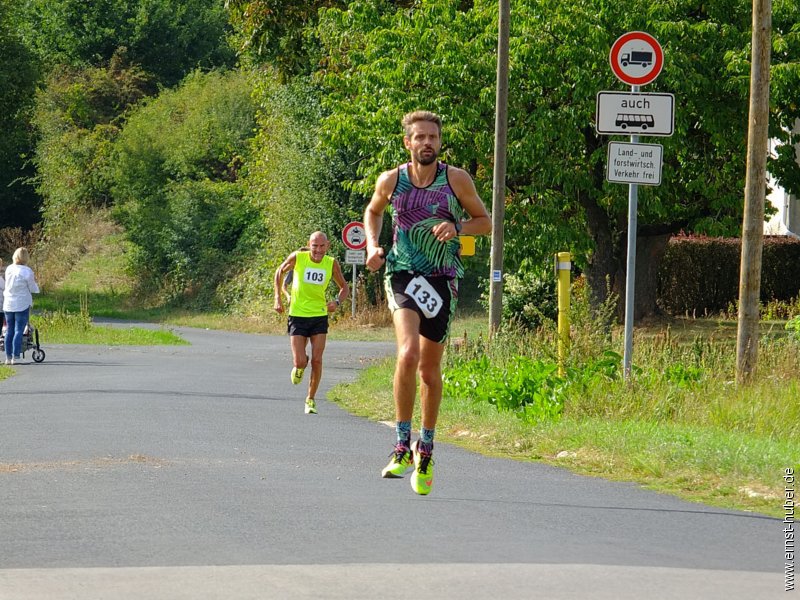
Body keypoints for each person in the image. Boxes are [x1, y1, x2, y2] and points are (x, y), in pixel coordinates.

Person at [365, 110, 491, 495]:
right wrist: (373, 244)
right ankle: (401, 444)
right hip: (403, 273)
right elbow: (373, 210)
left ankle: (427, 448)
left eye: (432, 137)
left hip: (442, 279)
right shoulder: (392, 179)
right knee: (407, 355)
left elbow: (485, 221)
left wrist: (458, 227)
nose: (426, 143)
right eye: (419, 137)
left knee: (429, 370)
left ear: (439, 141)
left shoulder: (456, 179)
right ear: (408, 142)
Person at [274, 232, 349, 414]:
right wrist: (278, 297)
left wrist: (337, 303)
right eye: (315, 246)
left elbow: (344, 288)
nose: (318, 250)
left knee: (317, 359)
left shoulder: (330, 263)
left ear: (327, 246)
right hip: (298, 315)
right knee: (300, 361)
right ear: (309, 245)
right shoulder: (298, 257)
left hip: (319, 315)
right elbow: (279, 271)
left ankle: (310, 399)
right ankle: (300, 365)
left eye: (322, 246)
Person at [3, 248, 40, 365]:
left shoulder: (9, 269)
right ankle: (15, 356)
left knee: (9, 330)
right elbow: (32, 287)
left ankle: (8, 357)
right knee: (19, 330)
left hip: (8, 303)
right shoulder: (27, 271)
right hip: (22, 303)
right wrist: (37, 289)